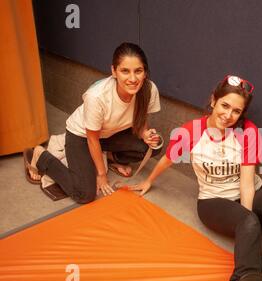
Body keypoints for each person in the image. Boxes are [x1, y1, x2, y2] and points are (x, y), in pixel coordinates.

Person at [129, 75, 262, 281]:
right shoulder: (192, 131)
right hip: (213, 202)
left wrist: (246, 220)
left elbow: (247, 183)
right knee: (248, 222)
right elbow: (168, 158)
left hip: (246, 194)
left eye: (236, 111)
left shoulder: (247, 132)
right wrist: (148, 180)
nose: (228, 115)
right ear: (213, 101)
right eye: (225, 105)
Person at [24, 42, 162, 203]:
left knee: (150, 148)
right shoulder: (97, 97)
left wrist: (144, 133)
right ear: (114, 71)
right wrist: (101, 175)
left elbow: (140, 117)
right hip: (82, 136)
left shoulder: (149, 89)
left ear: (145, 72)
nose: (133, 78)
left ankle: (108, 156)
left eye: (138, 71)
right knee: (84, 194)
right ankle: (41, 156)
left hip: (110, 133)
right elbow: (92, 138)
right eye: (125, 71)